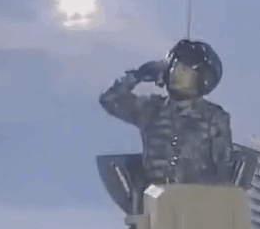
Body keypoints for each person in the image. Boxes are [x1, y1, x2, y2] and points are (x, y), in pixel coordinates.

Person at [99, 39, 234, 186]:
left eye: (184, 69)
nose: (176, 73)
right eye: (174, 66)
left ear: (202, 77)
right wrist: (137, 75)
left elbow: (224, 170)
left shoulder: (214, 118)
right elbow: (109, 99)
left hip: (199, 196)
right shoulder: (151, 109)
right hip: (154, 195)